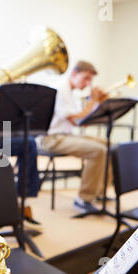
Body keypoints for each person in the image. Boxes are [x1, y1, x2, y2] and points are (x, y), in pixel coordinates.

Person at [41, 60, 109, 212]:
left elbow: (83, 121)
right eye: (86, 78)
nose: (88, 83)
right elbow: (78, 120)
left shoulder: (71, 92)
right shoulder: (60, 89)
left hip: (66, 135)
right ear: (74, 74)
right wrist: (94, 101)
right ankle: (83, 199)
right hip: (52, 139)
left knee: (109, 145)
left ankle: (99, 191)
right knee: (98, 150)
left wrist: (98, 103)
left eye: (90, 80)